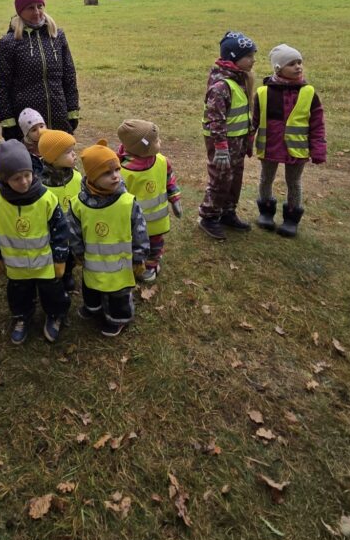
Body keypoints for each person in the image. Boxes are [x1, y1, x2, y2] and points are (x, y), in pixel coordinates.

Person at [0, 140, 71, 345]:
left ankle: (56, 314)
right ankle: (21, 316)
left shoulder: (47, 199)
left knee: (53, 292)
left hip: (46, 263)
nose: (23, 182)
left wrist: (60, 259)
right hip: (16, 265)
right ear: (4, 179)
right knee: (18, 293)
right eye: (16, 178)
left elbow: (60, 229)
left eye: (27, 175)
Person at [69, 141, 149, 337]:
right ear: (92, 177)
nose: (115, 176)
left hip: (119, 265)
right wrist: (77, 252)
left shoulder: (127, 202)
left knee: (118, 294)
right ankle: (93, 307)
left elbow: (140, 230)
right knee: (91, 286)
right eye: (107, 173)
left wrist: (139, 256)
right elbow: (73, 230)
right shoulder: (79, 204)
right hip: (92, 262)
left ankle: (118, 318)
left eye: (117, 170)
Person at [0, 0, 80, 140]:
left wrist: (72, 110)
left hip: (59, 117)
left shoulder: (57, 36)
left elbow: (69, 76)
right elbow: (0, 86)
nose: (37, 12)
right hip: (28, 125)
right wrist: (8, 122)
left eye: (40, 6)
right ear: (20, 11)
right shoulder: (8, 43)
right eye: (30, 8)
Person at [253, 43, 327, 237]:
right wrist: (245, 143)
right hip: (269, 147)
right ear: (278, 68)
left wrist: (318, 149)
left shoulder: (309, 93)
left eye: (299, 62)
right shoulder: (263, 93)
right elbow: (254, 121)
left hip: (297, 149)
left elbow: (317, 124)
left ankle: (291, 219)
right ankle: (266, 213)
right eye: (292, 64)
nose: (298, 67)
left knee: (294, 182)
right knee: (266, 178)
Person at [198, 31, 258, 241]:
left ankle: (227, 212)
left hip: (237, 141)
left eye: (253, 55)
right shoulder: (221, 86)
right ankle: (209, 216)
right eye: (248, 56)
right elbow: (215, 119)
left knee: (235, 178)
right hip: (222, 142)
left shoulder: (240, 79)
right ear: (233, 57)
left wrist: (247, 140)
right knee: (221, 179)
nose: (253, 60)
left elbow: (243, 114)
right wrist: (221, 147)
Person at [117, 119, 182, 283]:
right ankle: (136, 265)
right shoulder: (123, 171)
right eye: (156, 140)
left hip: (157, 222)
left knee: (155, 245)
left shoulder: (162, 161)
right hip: (133, 224)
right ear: (144, 147)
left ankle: (151, 265)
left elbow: (169, 179)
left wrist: (175, 198)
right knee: (135, 246)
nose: (160, 142)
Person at [38, 128, 80, 292]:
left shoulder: (76, 177)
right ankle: (53, 276)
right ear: (53, 158)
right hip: (52, 234)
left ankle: (68, 273)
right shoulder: (41, 185)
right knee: (54, 254)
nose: (74, 154)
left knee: (70, 255)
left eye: (73, 150)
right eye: (68, 152)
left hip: (73, 230)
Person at [18, 107, 46, 176]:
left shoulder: (51, 142)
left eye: (41, 126)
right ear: (27, 134)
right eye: (34, 130)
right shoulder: (23, 152)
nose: (39, 131)